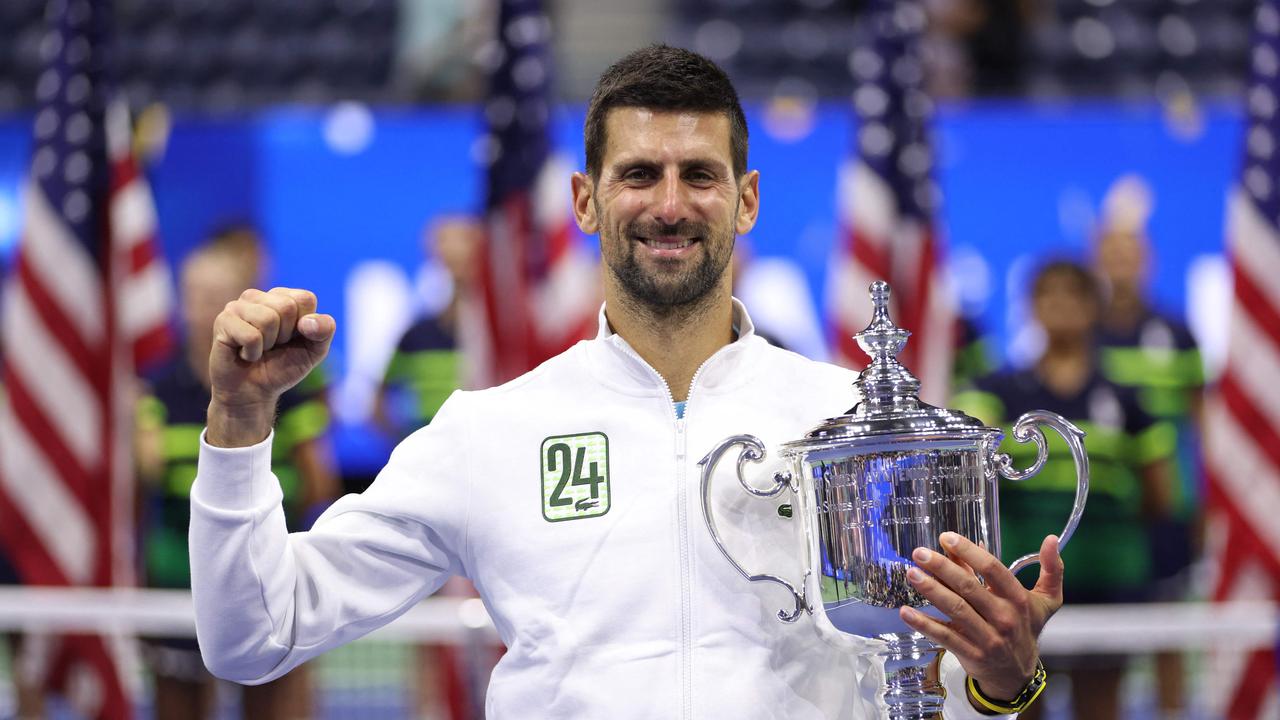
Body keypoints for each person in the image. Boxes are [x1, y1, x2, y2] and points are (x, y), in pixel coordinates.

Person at [189, 45, 1063, 718]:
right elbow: (251, 635)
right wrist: (239, 419)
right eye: (639, 173)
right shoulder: (491, 431)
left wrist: (1005, 685)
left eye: (700, 175)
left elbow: (930, 689)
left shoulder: (851, 423)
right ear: (585, 200)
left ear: (748, 199)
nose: (670, 204)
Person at [952, 260, 1176, 720]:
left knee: (1101, 706)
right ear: (1031, 306)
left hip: (1109, 582)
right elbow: (968, 467)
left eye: (1074, 294)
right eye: (1049, 294)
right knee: (1019, 702)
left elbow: (1161, 496)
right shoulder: (997, 390)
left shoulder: (1127, 397)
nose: (1061, 306)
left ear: (1096, 307)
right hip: (1018, 582)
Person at [136, 226, 339, 719]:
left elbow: (320, 481)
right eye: (193, 295)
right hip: (174, 582)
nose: (202, 307)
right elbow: (143, 476)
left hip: (270, 578)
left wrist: (263, 521)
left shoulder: (289, 380)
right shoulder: (155, 389)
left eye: (214, 296)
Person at [1093, 178, 1205, 718]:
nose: (1120, 263)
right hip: (1104, 513)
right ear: (1096, 257)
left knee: (1167, 627)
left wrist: (1201, 504)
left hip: (1166, 509)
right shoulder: (1080, 333)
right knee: (1095, 647)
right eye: (1110, 252)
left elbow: (1202, 425)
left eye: (1130, 253)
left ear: (1149, 260)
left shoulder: (1177, 332)